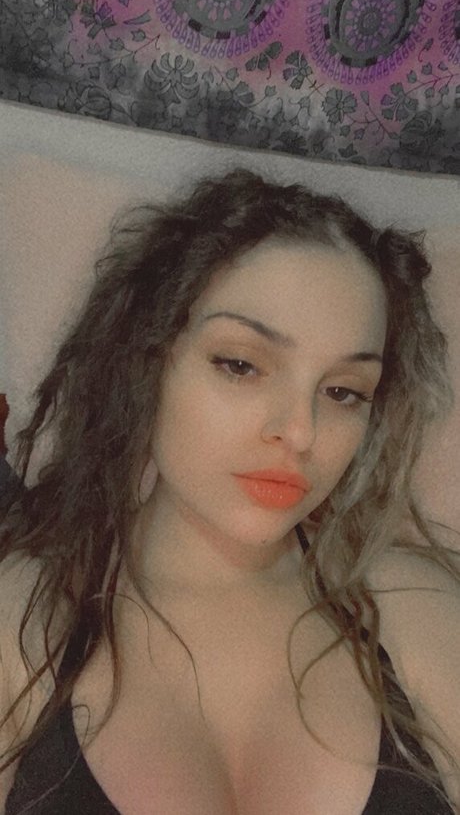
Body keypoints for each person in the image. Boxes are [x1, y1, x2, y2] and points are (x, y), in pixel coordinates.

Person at [0, 168, 459, 815]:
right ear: (146, 361)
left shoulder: (415, 611)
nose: (300, 431)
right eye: (241, 364)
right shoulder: (25, 617)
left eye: (343, 391)